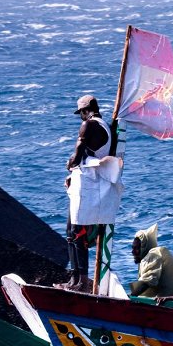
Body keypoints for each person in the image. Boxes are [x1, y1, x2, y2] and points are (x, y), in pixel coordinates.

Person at [61, 94, 112, 291]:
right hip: (86, 185)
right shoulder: (105, 126)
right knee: (71, 233)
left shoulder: (89, 125)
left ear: (86, 110)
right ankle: (74, 279)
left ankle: (81, 280)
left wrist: (70, 164)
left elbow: (77, 155)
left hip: (87, 186)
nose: (81, 117)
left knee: (77, 232)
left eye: (81, 113)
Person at [128, 224, 173, 298]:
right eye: (132, 248)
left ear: (144, 247)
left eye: (136, 248)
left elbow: (146, 283)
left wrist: (128, 298)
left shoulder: (154, 254)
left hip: (169, 302)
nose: (133, 252)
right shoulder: (154, 255)